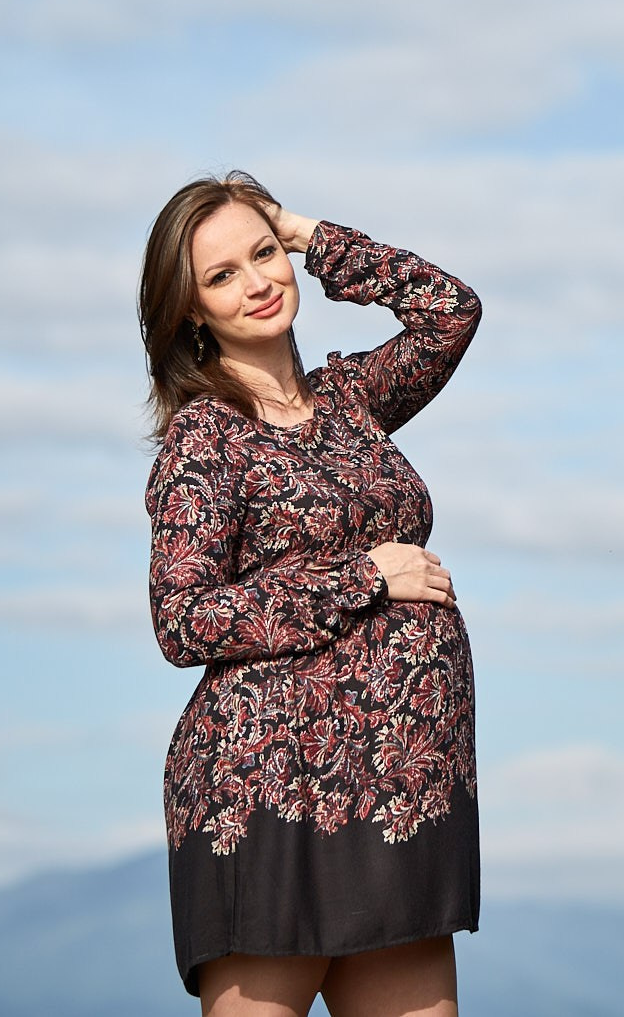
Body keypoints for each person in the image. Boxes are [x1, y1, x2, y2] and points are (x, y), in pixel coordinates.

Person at [138, 172, 482, 1017]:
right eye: (222, 275)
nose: (257, 282)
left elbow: (451, 311)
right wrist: (365, 577)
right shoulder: (206, 437)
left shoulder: (352, 399)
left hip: (401, 795)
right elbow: (183, 617)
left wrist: (306, 231)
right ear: (191, 310)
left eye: (263, 254)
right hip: (270, 793)